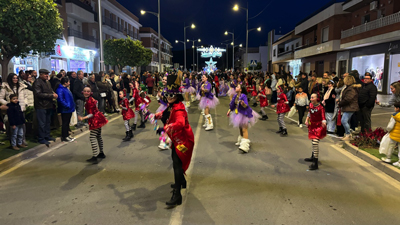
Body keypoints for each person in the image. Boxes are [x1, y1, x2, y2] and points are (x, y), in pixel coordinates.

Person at [154, 72, 194, 206]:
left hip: (183, 141)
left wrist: (166, 128)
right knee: (175, 160)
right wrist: (159, 115)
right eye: (167, 95)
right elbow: (166, 112)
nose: (169, 97)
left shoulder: (179, 110)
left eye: (172, 95)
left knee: (177, 165)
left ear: (177, 95)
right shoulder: (173, 106)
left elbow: (180, 123)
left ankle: (177, 195)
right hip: (177, 139)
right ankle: (181, 182)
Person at [78, 86, 108, 164]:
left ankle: (95, 156)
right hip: (98, 118)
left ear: (90, 93)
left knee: (92, 137)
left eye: (88, 91)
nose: (86, 92)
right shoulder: (89, 100)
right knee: (98, 136)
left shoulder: (90, 101)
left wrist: (83, 118)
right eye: (85, 91)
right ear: (82, 92)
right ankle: (101, 153)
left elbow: (91, 114)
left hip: (96, 119)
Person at [227, 83, 260, 153]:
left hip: (245, 114)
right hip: (238, 114)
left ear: (241, 89)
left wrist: (243, 104)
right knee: (240, 128)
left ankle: (245, 145)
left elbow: (246, 105)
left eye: (238, 87)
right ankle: (241, 140)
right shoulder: (235, 96)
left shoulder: (243, 96)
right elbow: (232, 104)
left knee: (244, 129)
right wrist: (229, 110)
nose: (236, 87)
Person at [33, 69, 58, 145]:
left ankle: (47, 136)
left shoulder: (47, 82)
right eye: (45, 74)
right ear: (40, 74)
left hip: (48, 105)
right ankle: (41, 138)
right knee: (42, 123)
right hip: (41, 106)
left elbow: (50, 91)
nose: (47, 75)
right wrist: (51, 96)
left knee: (48, 122)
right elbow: (38, 94)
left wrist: (54, 94)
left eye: (47, 74)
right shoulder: (37, 82)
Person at [304, 93, 327, 170]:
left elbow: (323, 116)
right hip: (312, 125)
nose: (311, 99)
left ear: (317, 98)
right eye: (311, 97)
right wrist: (306, 120)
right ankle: (313, 156)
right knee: (313, 142)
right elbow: (309, 113)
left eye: (313, 97)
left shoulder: (321, 108)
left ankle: (315, 162)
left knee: (315, 142)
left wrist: (324, 122)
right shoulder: (311, 105)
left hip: (319, 126)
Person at [338, 76, 362, 141]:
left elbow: (348, 99)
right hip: (349, 107)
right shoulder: (350, 88)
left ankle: (348, 134)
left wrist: (340, 103)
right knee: (346, 121)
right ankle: (348, 133)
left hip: (350, 107)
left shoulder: (351, 89)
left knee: (344, 121)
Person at [56, 77, 76, 142]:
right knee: (65, 123)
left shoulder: (66, 89)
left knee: (67, 123)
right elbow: (60, 99)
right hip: (65, 109)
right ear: (65, 82)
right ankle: (64, 136)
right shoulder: (60, 89)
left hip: (69, 108)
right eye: (68, 82)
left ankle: (67, 135)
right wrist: (67, 105)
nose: (69, 83)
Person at [381, 103, 400, 167]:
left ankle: (388, 158)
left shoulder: (395, 116)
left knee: (391, 146)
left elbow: (390, 126)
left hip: (394, 135)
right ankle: (399, 162)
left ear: (398, 108)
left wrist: (388, 130)